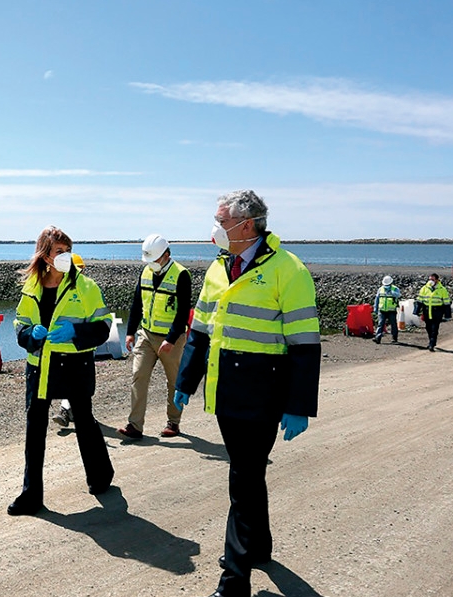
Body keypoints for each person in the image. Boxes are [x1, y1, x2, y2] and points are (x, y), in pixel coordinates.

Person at [172, 190, 321, 597]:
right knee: (249, 472)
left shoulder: (287, 269)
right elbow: (200, 331)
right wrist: (185, 382)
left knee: (243, 478)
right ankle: (259, 546)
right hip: (225, 391)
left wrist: (298, 405)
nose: (215, 229)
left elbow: (305, 344)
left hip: (263, 393)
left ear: (247, 224)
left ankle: (234, 580)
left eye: (222, 222)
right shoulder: (218, 268)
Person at [9, 228, 115, 516]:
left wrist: (76, 332)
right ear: (45, 255)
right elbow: (19, 325)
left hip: (75, 367)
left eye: (68, 250)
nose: (65, 256)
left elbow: (104, 327)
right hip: (40, 367)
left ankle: (101, 475)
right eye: (59, 251)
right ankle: (31, 495)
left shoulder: (87, 287)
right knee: (35, 429)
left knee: (84, 422)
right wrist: (30, 334)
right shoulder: (31, 286)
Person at [116, 233, 193, 439]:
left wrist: (171, 339)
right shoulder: (146, 272)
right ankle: (135, 426)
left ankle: (173, 422)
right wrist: (130, 332)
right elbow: (137, 304)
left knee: (174, 382)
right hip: (147, 335)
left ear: (166, 255)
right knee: (138, 376)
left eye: (155, 259)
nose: (151, 263)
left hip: (172, 339)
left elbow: (183, 312)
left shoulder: (181, 275)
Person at [52, 253, 88, 428]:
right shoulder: (59, 289)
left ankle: (69, 411)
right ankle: (68, 411)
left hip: (81, 346)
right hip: (64, 346)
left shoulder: (87, 289)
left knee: (76, 383)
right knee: (72, 382)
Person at [416, 273, 451, 352]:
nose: (431, 281)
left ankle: (432, 344)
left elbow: (446, 302)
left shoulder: (442, 289)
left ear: (437, 280)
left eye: (433, 279)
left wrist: (447, 314)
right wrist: (416, 311)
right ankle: (431, 341)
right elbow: (420, 300)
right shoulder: (424, 288)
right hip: (427, 310)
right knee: (428, 327)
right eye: (430, 279)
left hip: (437, 311)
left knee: (434, 328)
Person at [372, 275, 401, 344]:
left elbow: (398, 295)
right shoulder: (380, 289)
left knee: (393, 325)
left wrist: (391, 292)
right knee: (380, 324)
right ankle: (377, 338)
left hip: (391, 310)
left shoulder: (395, 289)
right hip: (382, 310)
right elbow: (377, 299)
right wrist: (375, 308)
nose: (386, 286)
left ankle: (394, 339)